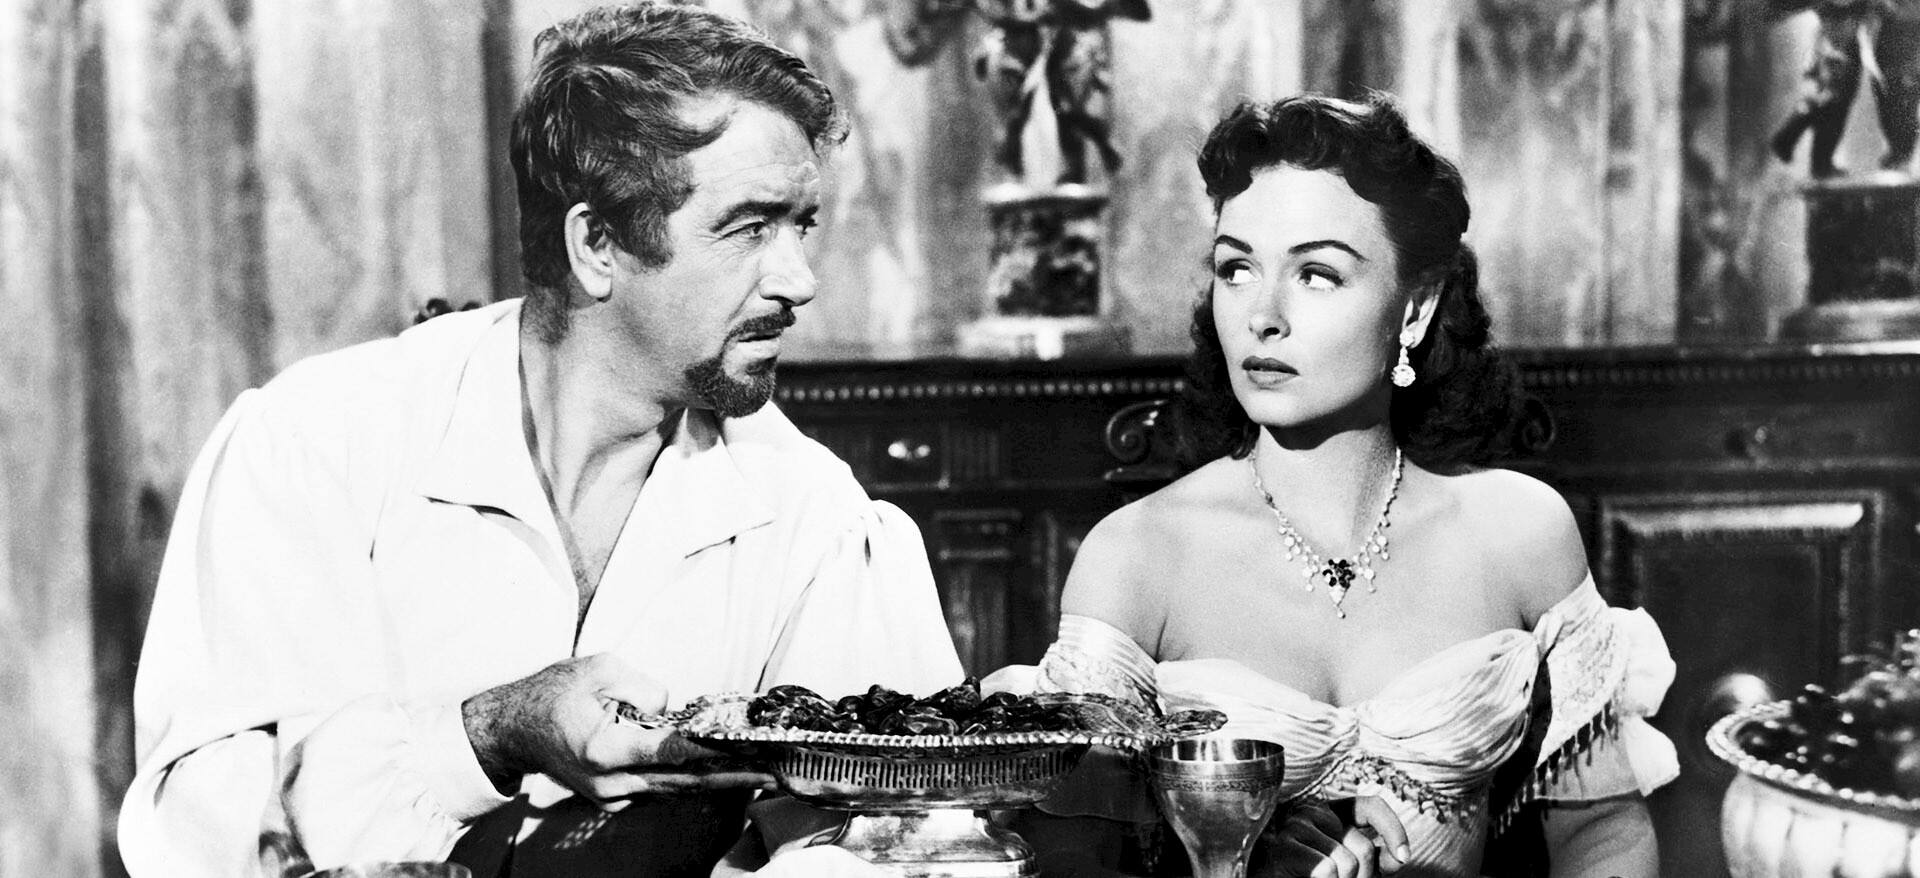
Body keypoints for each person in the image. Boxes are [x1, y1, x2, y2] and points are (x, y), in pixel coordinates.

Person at [117, 5, 961, 877]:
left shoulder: (814, 518)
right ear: (596, 244)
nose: (800, 280)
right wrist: (491, 733)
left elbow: (904, 844)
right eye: (750, 227)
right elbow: (203, 832)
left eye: (802, 224)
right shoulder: (316, 445)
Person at [994, 93, 1678, 878]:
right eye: (1236, 268)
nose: (1263, 316)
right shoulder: (1136, 557)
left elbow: (1604, 837)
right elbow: (1070, 862)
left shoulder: (1522, 533)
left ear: (1415, 309)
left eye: (1317, 274)